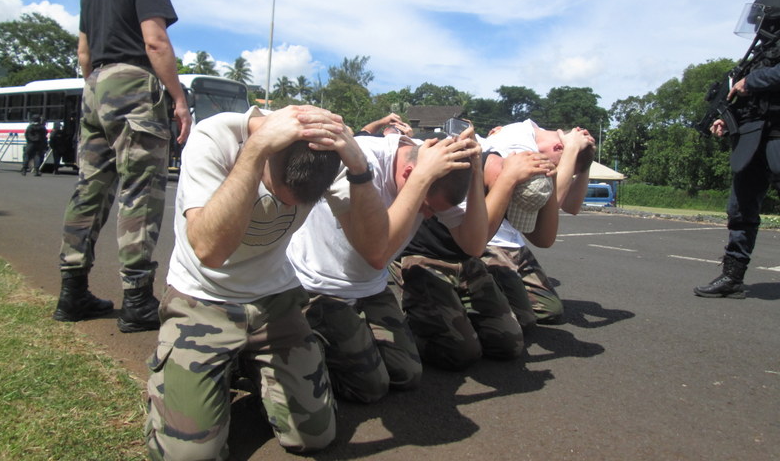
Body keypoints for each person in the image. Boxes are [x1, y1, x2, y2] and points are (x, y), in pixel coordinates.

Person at [145, 104, 387, 459]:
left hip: (274, 300)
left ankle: (248, 365)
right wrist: (255, 152)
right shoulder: (215, 137)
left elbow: (375, 249)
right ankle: (187, 386)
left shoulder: (326, 151)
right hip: (203, 299)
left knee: (314, 438)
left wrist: (360, 169)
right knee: (190, 457)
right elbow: (209, 251)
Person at [52, 0, 192, 333]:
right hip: (133, 84)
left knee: (90, 187)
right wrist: (179, 99)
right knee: (140, 190)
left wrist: (97, 89)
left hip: (94, 87)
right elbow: (155, 40)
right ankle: (136, 300)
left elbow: (83, 53)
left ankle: (72, 291)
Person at [287, 129, 484, 401]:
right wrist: (422, 178)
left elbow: (473, 245)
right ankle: (302, 347)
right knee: (369, 387)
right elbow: (376, 253)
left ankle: (349, 341)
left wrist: (477, 172)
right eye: (427, 207)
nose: (428, 217)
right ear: (409, 172)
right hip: (321, 287)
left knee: (407, 374)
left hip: (371, 287)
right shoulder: (357, 159)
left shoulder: (436, 165)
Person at [391, 144, 555, 370]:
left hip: (466, 262)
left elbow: (544, 239)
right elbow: (475, 243)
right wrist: (507, 181)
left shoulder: (507, 175)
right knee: (459, 353)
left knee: (510, 343)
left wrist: (551, 182)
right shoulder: (459, 171)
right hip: (423, 258)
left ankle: (450, 319)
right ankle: (410, 327)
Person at [694, 0, 780, 298]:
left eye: (761, 20)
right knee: (740, 209)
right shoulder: (759, 54)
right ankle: (732, 276)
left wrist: (752, 82)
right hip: (754, 138)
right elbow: (748, 100)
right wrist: (727, 119)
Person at [481, 121, 596, 323]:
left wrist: (586, 160)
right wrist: (571, 151)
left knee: (550, 309)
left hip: (513, 240)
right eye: (562, 164)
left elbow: (572, 206)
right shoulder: (516, 143)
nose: (562, 170)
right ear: (559, 147)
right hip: (488, 239)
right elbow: (549, 206)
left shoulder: (536, 134)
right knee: (520, 320)